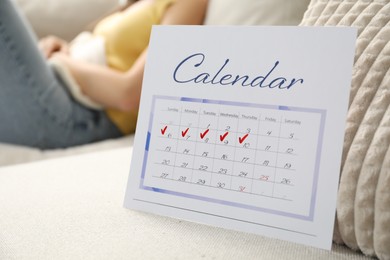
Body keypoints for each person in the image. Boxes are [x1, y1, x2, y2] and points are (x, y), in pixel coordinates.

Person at [0, 0, 208, 149]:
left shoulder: (190, 3)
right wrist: (63, 49)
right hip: (66, 87)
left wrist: (61, 60)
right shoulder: (132, 4)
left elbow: (129, 95)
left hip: (81, 116)